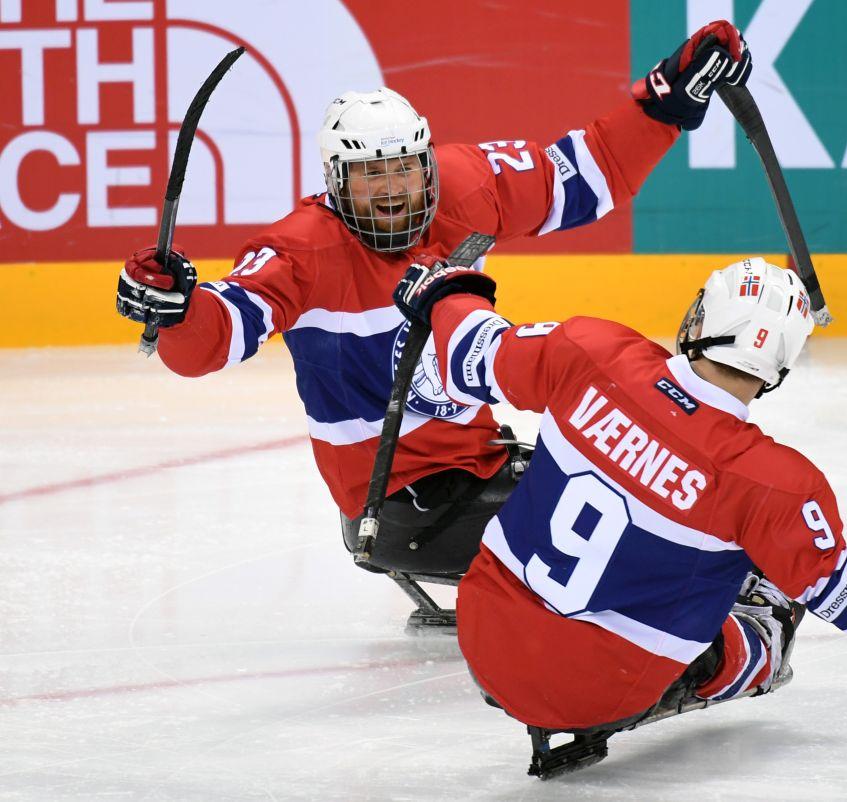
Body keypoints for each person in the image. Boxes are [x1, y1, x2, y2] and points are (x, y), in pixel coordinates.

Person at [112, 22, 754, 614]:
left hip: (481, 464)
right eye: (370, 177)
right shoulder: (302, 249)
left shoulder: (462, 187)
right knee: (646, 539)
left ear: (426, 165)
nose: (393, 190)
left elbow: (587, 173)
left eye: (404, 171)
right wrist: (178, 309)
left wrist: (664, 98)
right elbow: (214, 338)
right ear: (336, 182)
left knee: (648, 487)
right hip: (398, 508)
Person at [392, 255, 847, 762]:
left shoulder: (589, 351)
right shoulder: (773, 484)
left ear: (697, 319)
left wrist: (450, 294)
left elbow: (473, 354)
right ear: (778, 369)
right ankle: (731, 660)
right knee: (772, 607)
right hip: (600, 691)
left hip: (482, 636)